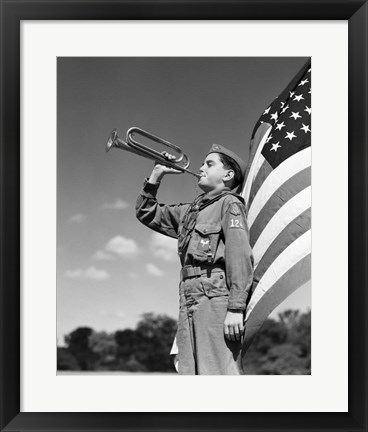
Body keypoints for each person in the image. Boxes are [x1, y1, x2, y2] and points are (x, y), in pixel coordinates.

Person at [136, 144, 254, 375]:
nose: (201, 168)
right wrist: (157, 174)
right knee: (189, 371)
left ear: (228, 175)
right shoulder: (190, 211)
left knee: (216, 370)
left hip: (215, 294)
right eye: (202, 163)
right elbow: (146, 212)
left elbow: (239, 254)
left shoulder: (230, 204)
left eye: (209, 164)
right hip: (188, 294)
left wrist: (236, 308)